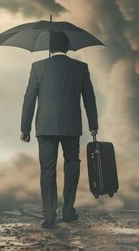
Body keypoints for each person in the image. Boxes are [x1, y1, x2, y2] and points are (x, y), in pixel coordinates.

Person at [20, 31, 99, 228]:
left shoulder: (38, 67)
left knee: (47, 170)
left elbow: (29, 98)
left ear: (49, 48)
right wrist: (93, 125)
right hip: (72, 127)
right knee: (72, 164)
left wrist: (25, 127)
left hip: (45, 127)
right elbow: (89, 99)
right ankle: (68, 211)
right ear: (68, 47)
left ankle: (49, 216)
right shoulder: (81, 67)